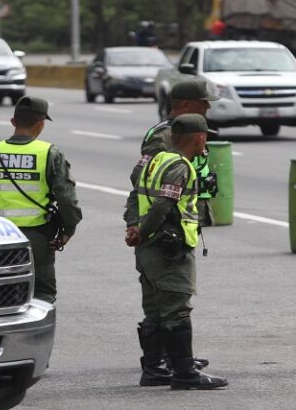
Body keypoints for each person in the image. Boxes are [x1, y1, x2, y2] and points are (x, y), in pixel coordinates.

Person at [124, 113, 228, 390]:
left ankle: (154, 370)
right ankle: (184, 373)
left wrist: (134, 227)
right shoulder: (180, 166)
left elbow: (135, 194)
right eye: (206, 138)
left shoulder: (153, 160)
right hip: (168, 249)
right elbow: (162, 205)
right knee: (177, 309)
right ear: (199, 138)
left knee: (154, 310)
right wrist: (144, 230)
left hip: (147, 249)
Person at [0, 96, 82, 304]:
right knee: (41, 296)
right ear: (41, 124)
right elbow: (66, 200)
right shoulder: (49, 154)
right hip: (35, 238)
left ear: (13, 122)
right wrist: (68, 230)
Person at [129, 79, 220, 227]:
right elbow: (141, 177)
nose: (208, 107)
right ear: (186, 105)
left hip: (189, 216)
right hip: (171, 220)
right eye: (203, 103)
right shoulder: (165, 136)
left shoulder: (190, 130)